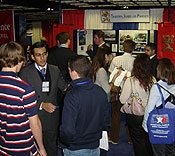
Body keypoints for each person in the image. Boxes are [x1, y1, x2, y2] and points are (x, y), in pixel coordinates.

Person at [19, 42, 67, 156]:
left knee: (52, 148)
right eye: (38, 55)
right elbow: (21, 98)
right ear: (32, 56)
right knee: (35, 149)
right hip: (34, 117)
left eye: (44, 54)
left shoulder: (55, 69)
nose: (42, 58)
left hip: (52, 116)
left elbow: (64, 87)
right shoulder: (25, 73)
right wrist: (41, 104)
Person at [0, 41, 47, 156]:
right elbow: (34, 123)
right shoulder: (24, 89)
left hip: (2, 145)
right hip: (22, 147)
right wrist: (41, 148)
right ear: (20, 60)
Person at [60, 55, 110, 156]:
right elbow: (106, 120)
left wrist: (63, 142)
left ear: (73, 72)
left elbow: (67, 129)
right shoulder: (100, 91)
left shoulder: (72, 96)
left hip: (75, 148)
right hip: (95, 145)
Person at [120, 53, 155, 156]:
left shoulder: (130, 81)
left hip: (134, 115)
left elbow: (122, 100)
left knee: (137, 141)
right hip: (149, 113)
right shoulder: (152, 79)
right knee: (148, 139)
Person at [143, 58, 175, 156]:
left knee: (159, 152)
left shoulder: (157, 87)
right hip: (173, 124)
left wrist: (145, 125)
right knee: (171, 151)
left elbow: (149, 108)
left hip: (160, 127)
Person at [108, 39, 136, 144]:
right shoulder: (135, 61)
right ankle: (131, 139)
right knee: (130, 114)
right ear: (133, 49)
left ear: (123, 47)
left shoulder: (116, 59)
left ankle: (114, 138)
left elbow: (111, 74)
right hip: (130, 91)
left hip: (116, 90)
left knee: (115, 115)